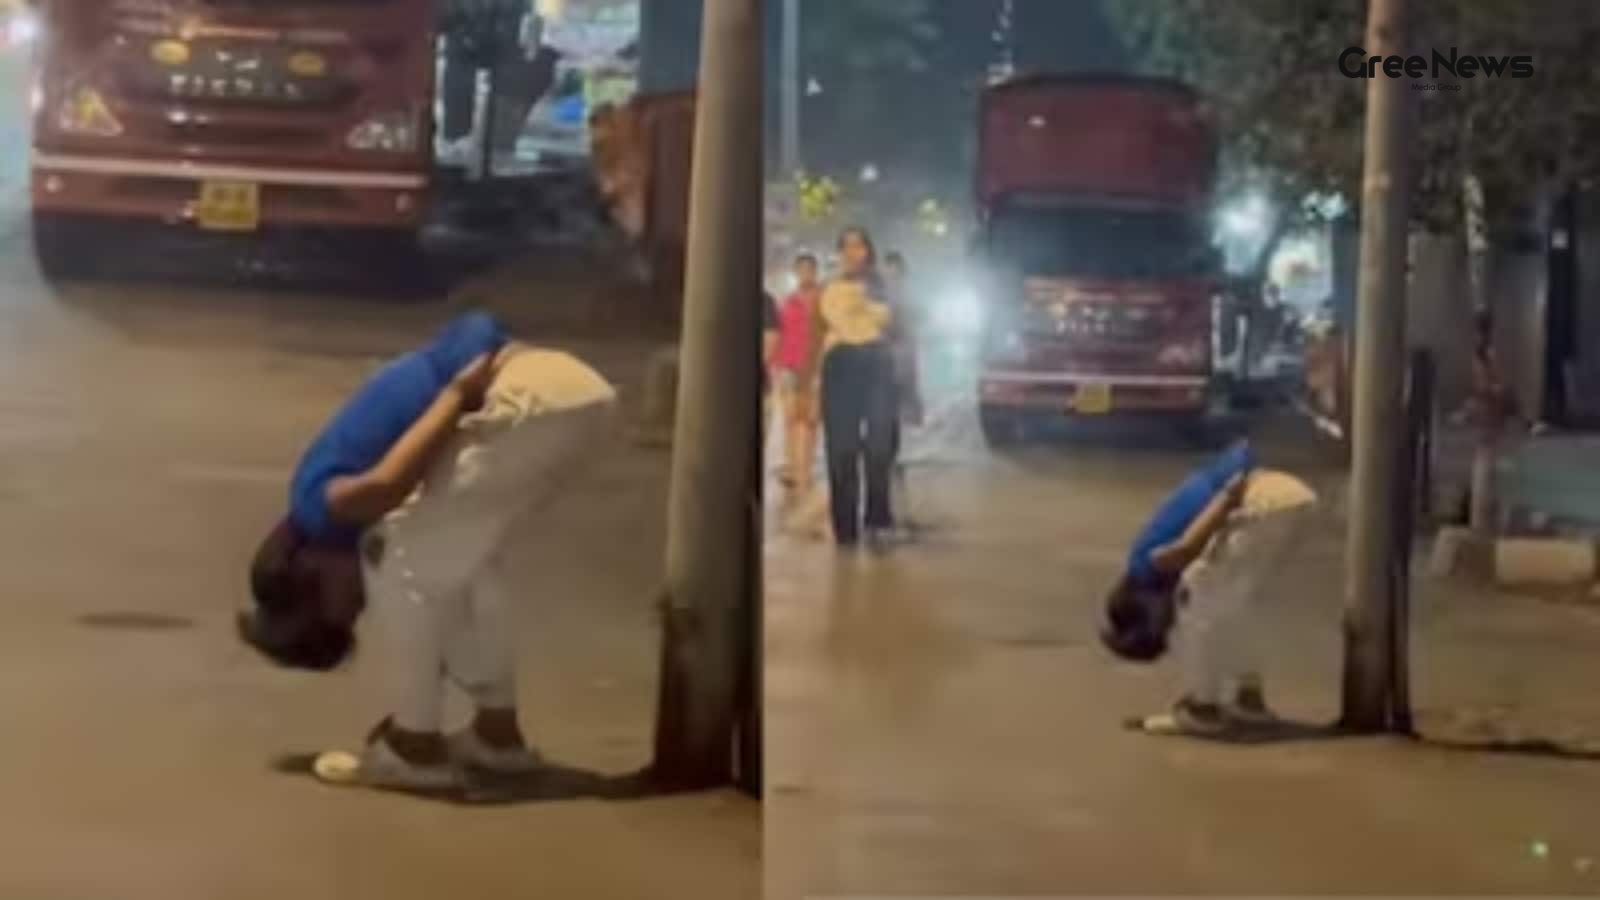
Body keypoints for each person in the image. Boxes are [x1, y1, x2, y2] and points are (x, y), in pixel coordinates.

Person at [242, 312, 618, 790]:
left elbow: (387, 484)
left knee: (392, 556)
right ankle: (496, 737)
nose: (359, 604)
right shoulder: (322, 496)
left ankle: (413, 746)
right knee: (470, 565)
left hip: (524, 400)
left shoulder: (322, 507)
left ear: (305, 571)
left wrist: (457, 393)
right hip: (575, 394)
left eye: (345, 607)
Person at [1101, 441, 1319, 736]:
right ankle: (1249, 700)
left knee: (1199, 600)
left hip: (1258, 502)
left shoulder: (1148, 565)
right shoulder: (1149, 549)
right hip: (1293, 498)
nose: (1167, 628)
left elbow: (1188, 547)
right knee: (1241, 606)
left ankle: (1201, 709)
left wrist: (1190, 547)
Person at [818, 227, 898, 549]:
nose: (853, 252)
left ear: (869, 252)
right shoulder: (828, 287)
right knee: (842, 449)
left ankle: (877, 517)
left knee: (879, 447)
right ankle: (845, 527)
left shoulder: (883, 286)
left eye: (859, 246)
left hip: (877, 363)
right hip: (839, 365)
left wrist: (861, 309)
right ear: (840, 253)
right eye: (847, 246)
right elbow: (825, 327)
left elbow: (890, 321)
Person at [773, 253, 824, 495]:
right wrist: (777, 365)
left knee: (811, 420)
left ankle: (806, 468)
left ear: (815, 272)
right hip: (790, 365)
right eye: (801, 270)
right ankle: (792, 467)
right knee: (791, 418)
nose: (805, 275)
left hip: (815, 366)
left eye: (809, 270)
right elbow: (780, 333)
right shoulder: (788, 302)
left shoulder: (824, 301)